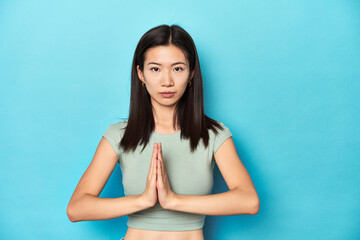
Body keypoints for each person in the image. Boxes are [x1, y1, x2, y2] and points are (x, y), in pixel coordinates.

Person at [66, 24, 260, 240]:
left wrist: (173, 200)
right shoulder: (120, 135)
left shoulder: (213, 135)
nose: (167, 81)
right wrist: (143, 200)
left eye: (177, 68)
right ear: (140, 73)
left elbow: (249, 201)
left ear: (191, 73)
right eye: (155, 69)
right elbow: (76, 208)